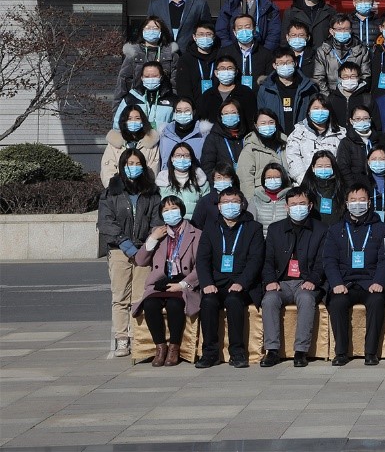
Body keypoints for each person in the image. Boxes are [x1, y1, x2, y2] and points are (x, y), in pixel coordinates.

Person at [98, 148, 162, 358]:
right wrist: (127, 245)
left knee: (139, 296)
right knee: (120, 297)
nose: (133, 168)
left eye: (137, 164)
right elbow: (107, 223)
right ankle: (121, 338)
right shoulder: (111, 192)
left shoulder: (151, 193)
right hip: (119, 250)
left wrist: (147, 245)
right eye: (129, 164)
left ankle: (137, 337)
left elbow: (156, 220)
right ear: (122, 167)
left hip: (144, 249)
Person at [194, 186, 265, 368]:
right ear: (219, 206)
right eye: (225, 202)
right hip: (216, 282)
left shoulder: (253, 228)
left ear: (242, 204)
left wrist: (242, 282)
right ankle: (210, 353)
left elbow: (256, 260)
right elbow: (202, 259)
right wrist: (207, 283)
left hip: (243, 283)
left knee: (234, 301)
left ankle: (237, 352)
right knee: (208, 302)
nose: (230, 205)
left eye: (234, 201)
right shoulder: (210, 228)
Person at [259, 186, 327, 367]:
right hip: (281, 282)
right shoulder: (275, 229)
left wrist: (313, 280)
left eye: (302, 204)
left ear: (310, 206)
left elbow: (322, 261)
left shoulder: (321, 229)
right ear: (286, 207)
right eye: (294, 204)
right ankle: (272, 350)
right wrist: (270, 280)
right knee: (269, 300)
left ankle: (301, 351)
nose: (298, 207)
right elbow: (267, 260)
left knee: (306, 298)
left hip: (306, 282)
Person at [323, 184, 385, 365]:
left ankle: (371, 352)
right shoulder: (335, 229)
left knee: (377, 301)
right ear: (346, 203)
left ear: (369, 203)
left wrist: (379, 281)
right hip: (345, 283)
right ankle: (341, 352)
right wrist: (336, 283)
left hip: (370, 282)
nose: (357, 204)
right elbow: (329, 260)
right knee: (337, 303)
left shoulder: (381, 228)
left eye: (362, 200)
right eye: (353, 200)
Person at [132, 195, 201, 366]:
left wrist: (182, 285)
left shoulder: (196, 233)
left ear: (181, 210)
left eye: (174, 208)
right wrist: (152, 239)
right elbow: (140, 260)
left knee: (174, 305)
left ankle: (174, 348)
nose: (170, 212)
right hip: (161, 282)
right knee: (150, 304)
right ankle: (160, 347)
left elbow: (201, 266)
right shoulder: (158, 232)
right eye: (166, 210)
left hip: (183, 281)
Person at [115, 18, 181, 104]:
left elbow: (175, 83)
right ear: (142, 31)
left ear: (161, 32)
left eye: (155, 28)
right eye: (148, 28)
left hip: (164, 101)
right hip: (137, 101)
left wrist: (174, 103)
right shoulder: (133, 54)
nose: (151, 31)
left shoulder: (171, 54)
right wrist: (119, 106)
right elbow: (123, 82)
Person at [256, 49, 317, 136]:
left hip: (302, 137)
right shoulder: (265, 89)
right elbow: (262, 115)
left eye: (288, 62)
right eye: (280, 63)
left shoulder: (308, 87)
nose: (285, 65)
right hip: (276, 137)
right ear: (274, 65)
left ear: (295, 63)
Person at [285, 98, 346, 183]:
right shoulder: (297, 133)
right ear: (309, 111)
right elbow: (293, 158)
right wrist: (305, 181)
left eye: (324, 108)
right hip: (305, 184)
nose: (320, 112)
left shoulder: (341, 134)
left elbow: (344, 160)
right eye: (316, 108)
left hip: (334, 184)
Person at [101, 105, 161, 186]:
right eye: (129, 119)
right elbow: (107, 170)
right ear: (124, 121)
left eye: (137, 118)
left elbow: (153, 170)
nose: (133, 122)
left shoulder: (151, 143)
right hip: (119, 189)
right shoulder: (114, 142)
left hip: (144, 189)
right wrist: (115, 188)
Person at [114, 61, 178, 130]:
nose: (151, 79)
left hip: (162, 136)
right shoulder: (130, 98)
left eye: (155, 76)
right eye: (147, 76)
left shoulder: (171, 99)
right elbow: (118, 123)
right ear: (142, 78)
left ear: (161, 77)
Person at [236, 110, 288, 192]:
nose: (267, 126)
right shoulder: (250, 149)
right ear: (256, 125)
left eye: (271, 122)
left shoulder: (286, 144)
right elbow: (245, 181)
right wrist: (251, 200)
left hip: (285, 193)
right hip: (261, 195)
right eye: (263, 123)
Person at [200, 99, 248, 176]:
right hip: (222, 181)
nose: (230, 116)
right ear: (221, 117)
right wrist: (218, 180)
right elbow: (207, 166)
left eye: (233, 113)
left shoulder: (247, 136)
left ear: (239, 114)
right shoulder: (213, 138)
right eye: (226, 113)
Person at [158, 144, 209, 215]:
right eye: (178, 155)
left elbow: (207, 206)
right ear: (172, 158)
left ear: (191, 158)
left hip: (195, 221)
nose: (182, 158)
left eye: (186, 155)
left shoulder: (201, 180)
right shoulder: (162, 181)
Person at [158, 99, 211, 167]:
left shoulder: (203, 135)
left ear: (193, 112)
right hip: (168, 173)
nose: (183, 114)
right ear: (174, 113)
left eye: (187, 111)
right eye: (179, 111)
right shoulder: (164, 134)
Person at [303, 151, 347, 227]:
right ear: (313, 168)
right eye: (319, 166)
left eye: (327, 166)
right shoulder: (306, 188)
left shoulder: (341, 187)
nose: (323, 169)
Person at [247, 162, 291, 233]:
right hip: (261, 238)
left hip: (284, 238)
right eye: (269, 177)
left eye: (277, 177)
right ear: (264, 179)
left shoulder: (290, 198)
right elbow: (250, 225)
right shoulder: (255, 200)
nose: (273, 180)